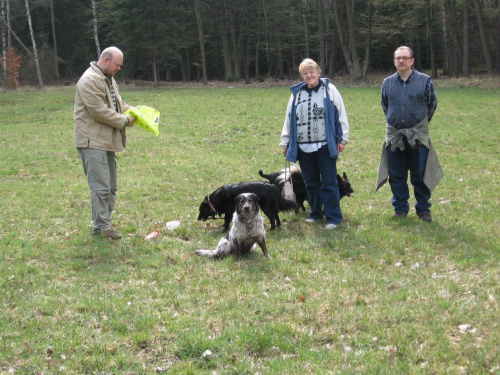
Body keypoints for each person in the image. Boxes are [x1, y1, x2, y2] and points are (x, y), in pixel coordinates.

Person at [280, 58, 350, 230]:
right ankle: (316, 213)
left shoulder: (330, 90)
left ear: (319, 72)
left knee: (329, 182)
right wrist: (285, 142)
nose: (309, 75)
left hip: (325, 145)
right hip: (304, 147)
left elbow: (340, 115)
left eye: (312, 72)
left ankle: (333, 217)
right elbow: (289, 120)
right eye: (305, 73)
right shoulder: (296, 94)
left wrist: (342, 139)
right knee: (310, 183)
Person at [74, 46, 135, 239]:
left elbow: (118, 104)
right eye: (117, 64)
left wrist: (136, 112)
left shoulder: (109, 79)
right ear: (106, 60)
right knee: (100, 188)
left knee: (111, 186)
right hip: (92, 142)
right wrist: (125, 120)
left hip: (106, 141)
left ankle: (105, 223)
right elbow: (98, 111)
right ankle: (100, 227)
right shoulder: (90, 80)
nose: (119, 68)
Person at [376, 46, 443, 222]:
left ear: (412, 60)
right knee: (396, 175)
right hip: (395, 135)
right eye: (398, 58)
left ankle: (423, 210)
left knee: (420, 174)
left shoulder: (425, 81)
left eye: (405, 58)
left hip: (418, 135)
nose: (401, 61)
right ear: (394, 61)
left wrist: (418, 124)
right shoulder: (387, 83)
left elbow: (432, 105)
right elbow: (386, 106)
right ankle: (400, 208)